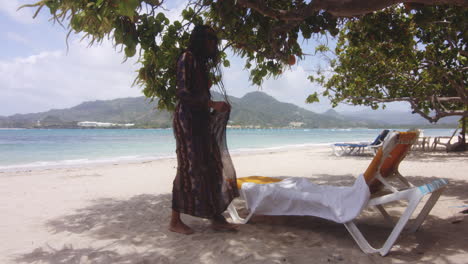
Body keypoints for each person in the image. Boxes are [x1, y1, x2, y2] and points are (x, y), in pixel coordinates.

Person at [169, 25, 239, 234]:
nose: (213, 45)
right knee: (188, 168)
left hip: (201, 121)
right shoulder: (187, 58)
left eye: (215, 41)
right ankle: (174, 221)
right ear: (201, 40)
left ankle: (216, 218)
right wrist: (212, 105)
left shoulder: (200, 64)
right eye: (211, 40)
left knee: (213, 166)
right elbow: (183, 94)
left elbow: (202, 97)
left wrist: (215, 108)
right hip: (187, 122)